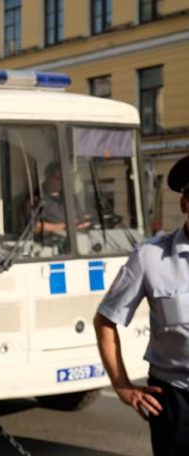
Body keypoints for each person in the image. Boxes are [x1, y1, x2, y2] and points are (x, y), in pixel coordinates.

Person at [93, 153, 189, 455]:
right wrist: (122, 386)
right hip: (175, 402)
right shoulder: (150, 257)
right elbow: (105, 320)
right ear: (185, 204)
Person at [35, 161, 91, 236]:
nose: (62, 182)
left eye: (64, 179)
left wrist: (83, 223)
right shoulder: (36, 198)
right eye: (58, 179)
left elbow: (80, 218)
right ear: (47, 176)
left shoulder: (70, 197)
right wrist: (62, 227)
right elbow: (34, 227)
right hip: (51, 240)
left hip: (77, 237)